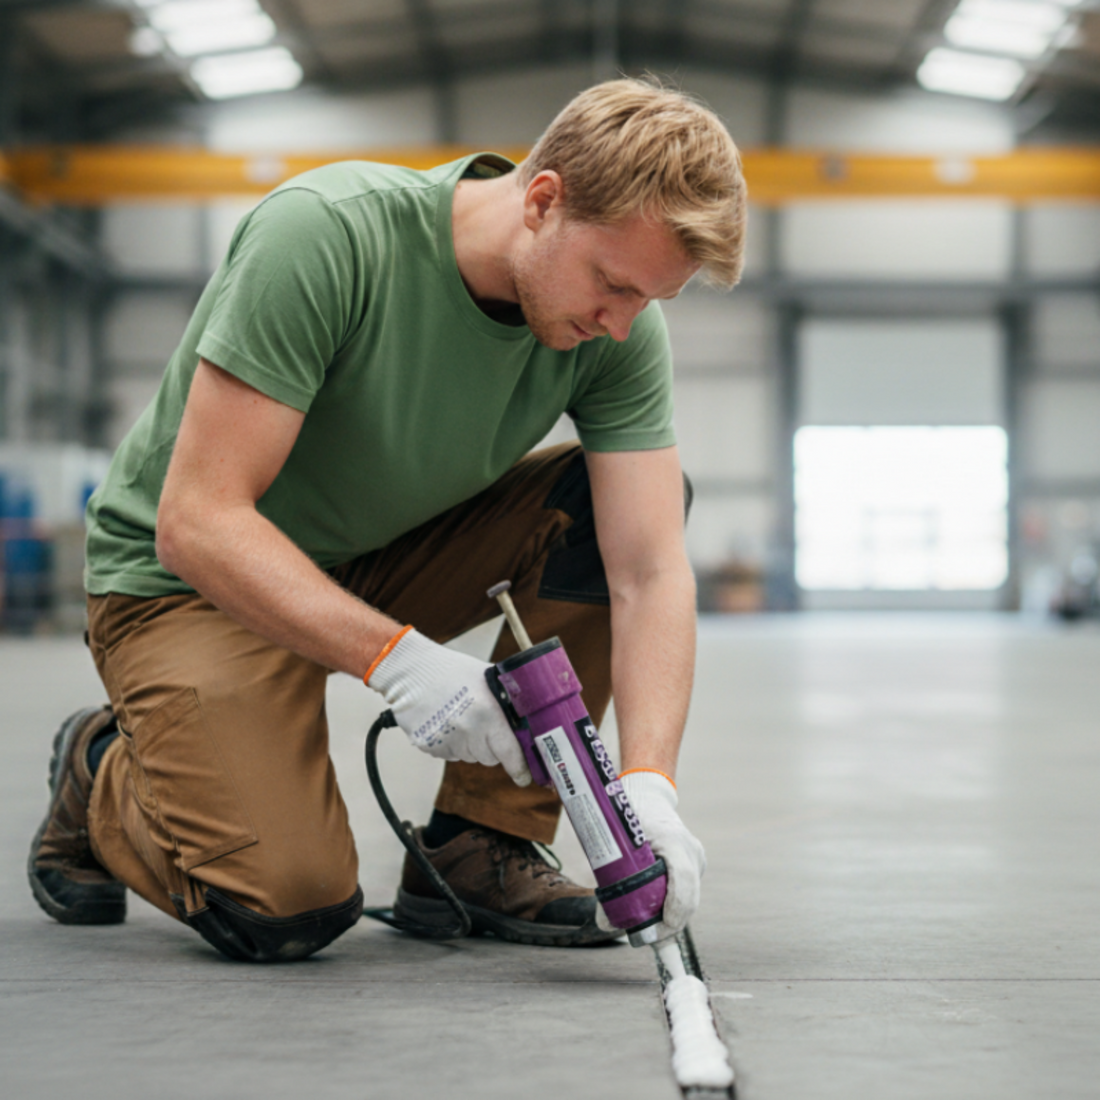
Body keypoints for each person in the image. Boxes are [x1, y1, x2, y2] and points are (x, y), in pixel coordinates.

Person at [28, 78, 747, 962]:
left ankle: (481, 842)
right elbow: (199, 522)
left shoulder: (617, 328)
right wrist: (400, 662)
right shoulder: (329, 235)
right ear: (543, 198)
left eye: (650, 301)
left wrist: (650, 787)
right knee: (287, 909)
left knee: (612, 509)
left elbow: (646, 569)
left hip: (380, 553)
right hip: (186, 585)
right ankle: (102, 770)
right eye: (612, 283)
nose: (621, 323)